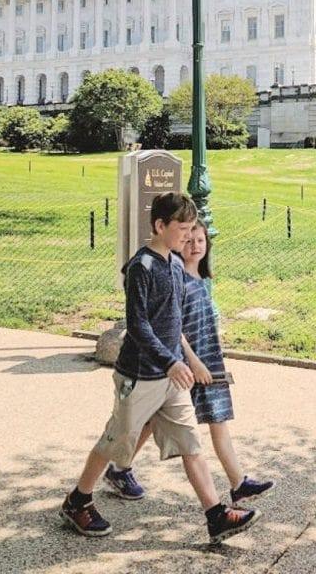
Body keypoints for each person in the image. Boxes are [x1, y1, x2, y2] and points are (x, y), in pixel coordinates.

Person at [59, 192, 259, 545]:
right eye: (181, 229)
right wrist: (170, 362)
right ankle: (78, 501)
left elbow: (175, 320)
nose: (187, 235)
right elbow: (139, 326)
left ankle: (216, 516)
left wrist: (191, 360)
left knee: (190, 444)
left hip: (172, 377)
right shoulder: (142, 267)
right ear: (160, 225)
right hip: (139, 376)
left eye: (190, 229)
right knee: (114, 442)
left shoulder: (176, 264)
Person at [106, 220, 273, 507]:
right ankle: (118, 468)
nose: (195, 246)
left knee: (216, 419)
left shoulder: (200, 280)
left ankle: (238, 483)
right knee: (148, 422)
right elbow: (173, 328)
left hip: (207, 361)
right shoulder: (176, 278)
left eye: (200, 241)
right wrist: (192, 362)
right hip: (184, 365)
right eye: (189, 240)